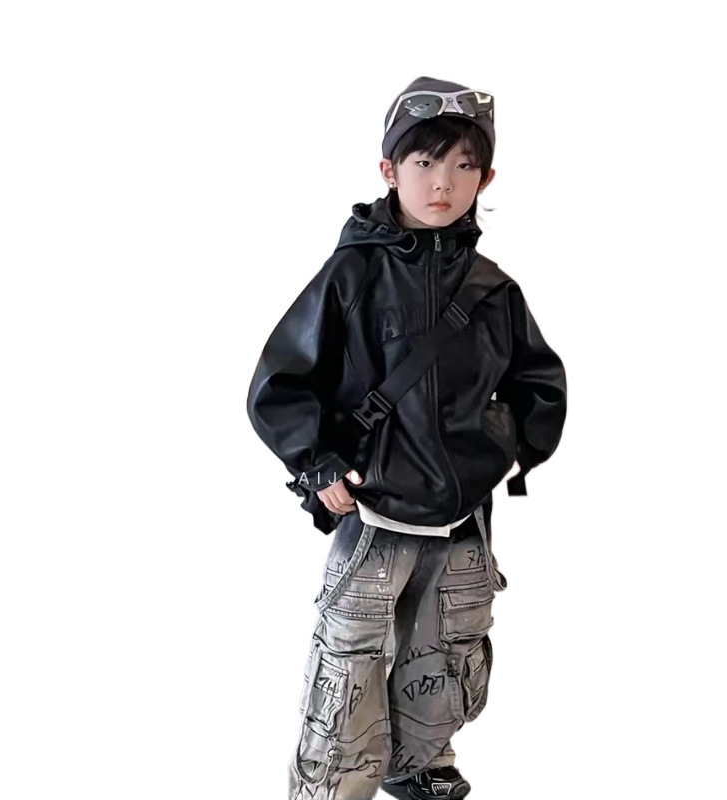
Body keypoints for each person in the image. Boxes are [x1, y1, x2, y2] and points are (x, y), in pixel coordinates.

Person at [246, 76, 567, 800]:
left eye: (462, 165)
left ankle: (418, 763)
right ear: (389, 170)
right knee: (351, 657)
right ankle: (334, 787)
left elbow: (539, 384)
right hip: (374, 509)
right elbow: (281, 382)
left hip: (462, 517)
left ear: (486, 178)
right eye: (424, 162)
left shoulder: (493, 290)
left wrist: (498, 445)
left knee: (448, 645)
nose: (443, 182)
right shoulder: (352, 275)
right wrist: (317, 462)